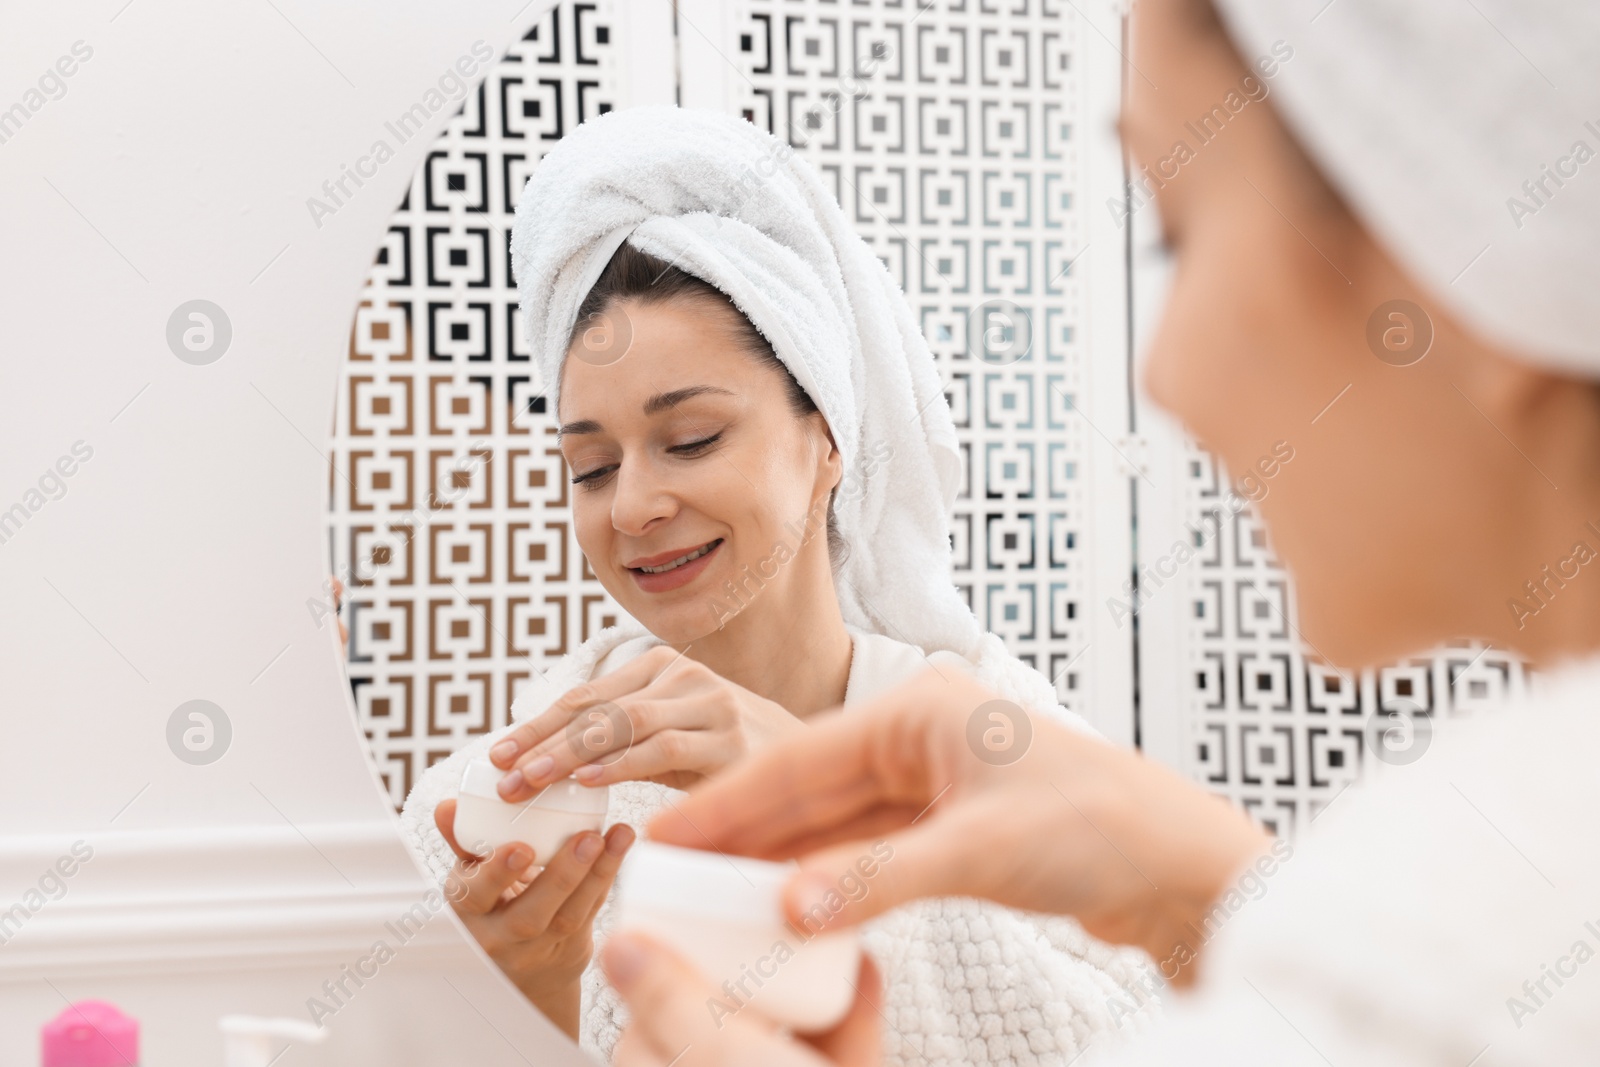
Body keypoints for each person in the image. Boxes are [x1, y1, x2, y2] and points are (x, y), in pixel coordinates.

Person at [593, 0, 1600, 1063]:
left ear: (1478, 243)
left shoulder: (1479, 952)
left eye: (1180, 231)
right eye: (587, 459)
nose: (1160, 375)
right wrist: (1202, 894)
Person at [397, 107, 1161, 1060]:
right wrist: (526, 1002)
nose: (631, 505)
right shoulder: (500, 809)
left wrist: (810, 810)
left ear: (828, 435)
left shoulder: (1018, 762)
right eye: (591, 467)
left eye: (692, 439)